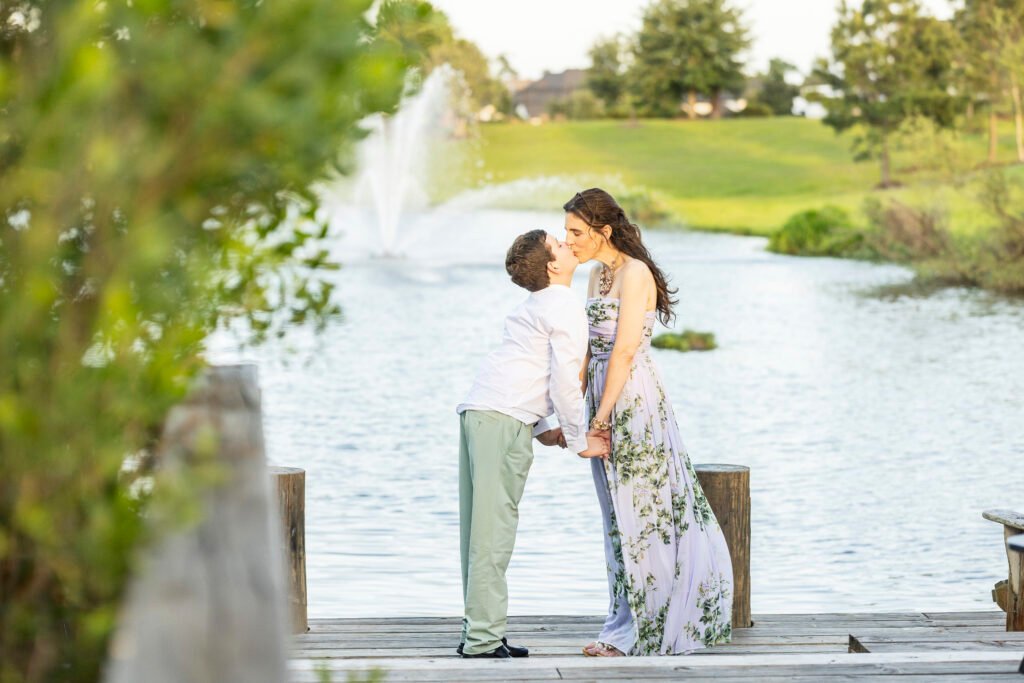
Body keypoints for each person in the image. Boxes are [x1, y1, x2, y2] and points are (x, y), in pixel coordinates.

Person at [563, 188, 734, 657]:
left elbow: (623, 350)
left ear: (603, 231)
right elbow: (586, 352)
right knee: (615, 518)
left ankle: (647, 628)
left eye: (576, 232)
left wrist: (601, 417)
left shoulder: (635, 274)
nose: (569, 241)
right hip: (601, 396)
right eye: (567, 233)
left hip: (632, 401)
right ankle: (622, 621)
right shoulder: (597, 273)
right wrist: (572, 412)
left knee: (644, 514)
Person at [456, 229, 610, 659]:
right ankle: (483, 640)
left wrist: (544, 429)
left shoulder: (538, 304)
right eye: (558, 244)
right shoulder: (564, 306)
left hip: (482, 412)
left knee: (478, 527)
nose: (566, 242)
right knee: (493, 530)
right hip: (500, 420)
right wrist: (581, 441)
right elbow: (563, 380)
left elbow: (526, 369)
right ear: (553, 266)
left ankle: (480, 630)